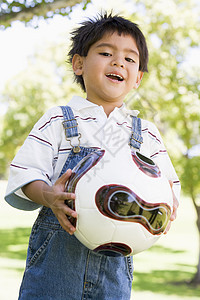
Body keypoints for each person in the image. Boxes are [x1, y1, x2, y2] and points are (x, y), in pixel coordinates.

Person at [5, 12, 180, 300]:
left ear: (137, 78)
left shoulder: (146, 133)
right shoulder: (59, 120)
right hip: (55, 268)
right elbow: (25, 173)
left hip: (116, 266)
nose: (118, 62)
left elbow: (169, 187)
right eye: (106, 52)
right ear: (79, 64)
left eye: (130, 59)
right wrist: (49, 195)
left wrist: (166, 206)